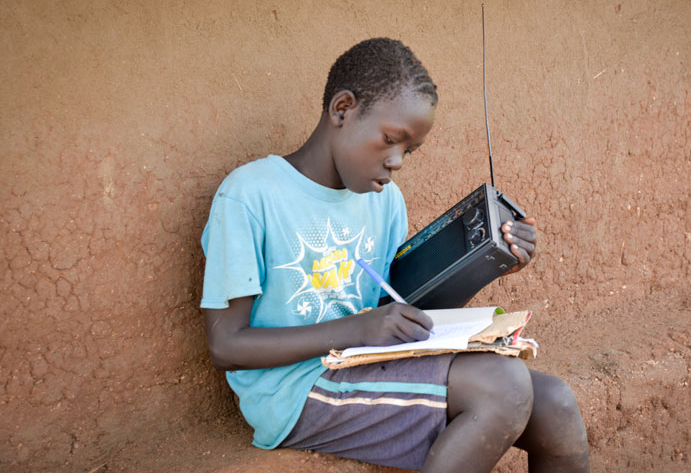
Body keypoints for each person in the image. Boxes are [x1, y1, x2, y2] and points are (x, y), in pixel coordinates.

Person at [200, 38, 589, 473]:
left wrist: (490, 261)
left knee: (555, 404)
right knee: (504, 385)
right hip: (294, 388)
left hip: (368, 364)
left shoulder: (385, 202)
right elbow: (226, 345)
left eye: (410, 150)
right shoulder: (251, 195)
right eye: (390, 140)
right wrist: (358, 328)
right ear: (342, 109)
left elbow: (399, 316)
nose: (398, 161)